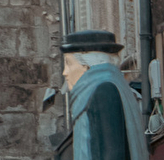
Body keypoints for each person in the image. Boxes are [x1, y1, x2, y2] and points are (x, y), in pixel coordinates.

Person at [62, 30, 150, 160]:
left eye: (69, 63)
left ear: (87, 67)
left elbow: (113, 152)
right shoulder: (113, 86)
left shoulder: (104, 90)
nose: (65, 72)